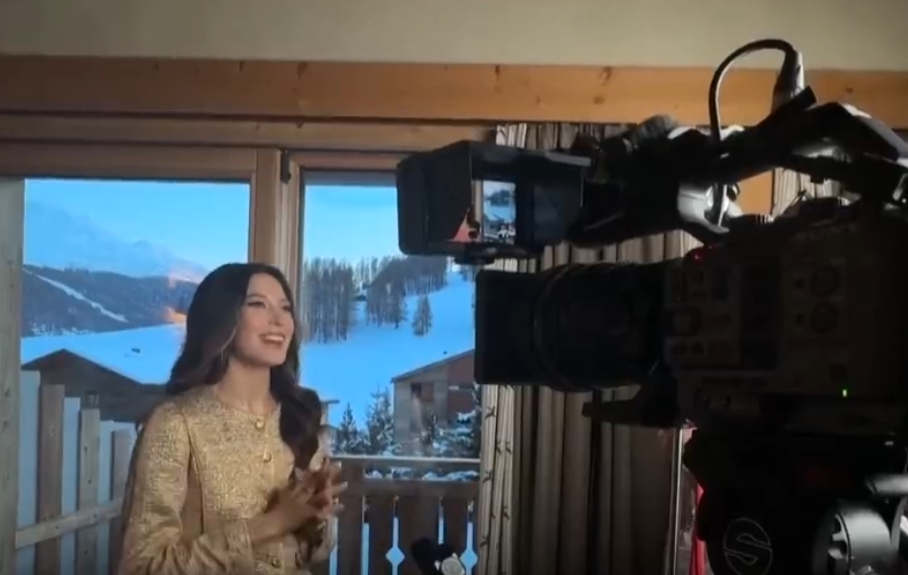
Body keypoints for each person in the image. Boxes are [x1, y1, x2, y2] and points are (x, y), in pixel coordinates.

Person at [118, 263, 346, 575]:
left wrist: (314, 518)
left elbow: (316, 553)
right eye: (258, 304)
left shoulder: (299, 418)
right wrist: (273, 522)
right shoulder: (176, 423)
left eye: (285, 308)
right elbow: (141, 567)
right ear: (221, 318)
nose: (279, 320)